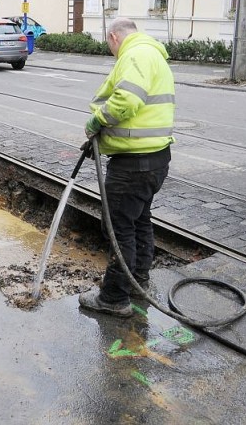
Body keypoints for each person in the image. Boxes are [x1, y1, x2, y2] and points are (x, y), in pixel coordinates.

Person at [78, 18, 175, 317]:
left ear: (113, 37)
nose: (111, 50)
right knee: (139, 221)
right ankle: (137, 280)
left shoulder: (135, 54)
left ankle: (114, 297)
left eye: (108, 44)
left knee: (119, 229)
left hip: (133, 166)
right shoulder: (153, 54)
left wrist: (98, 121)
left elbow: (126, 101)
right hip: (155, 159)